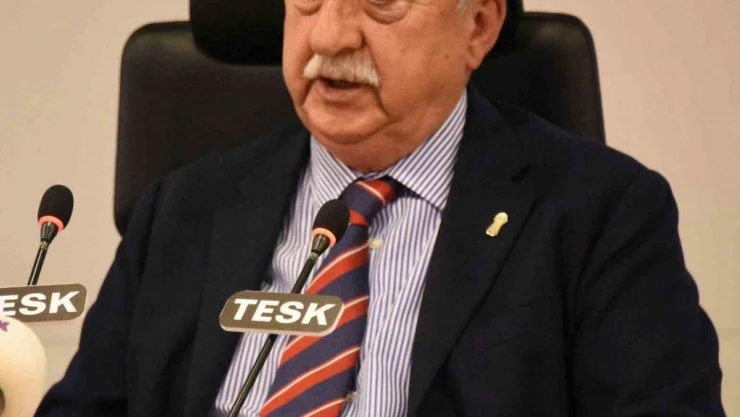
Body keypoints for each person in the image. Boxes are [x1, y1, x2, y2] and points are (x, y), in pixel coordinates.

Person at [36, 0, 725, 415]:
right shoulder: (182, 209)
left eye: (382, 2)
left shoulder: (603, 215)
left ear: (478, 26)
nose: (330, 37)